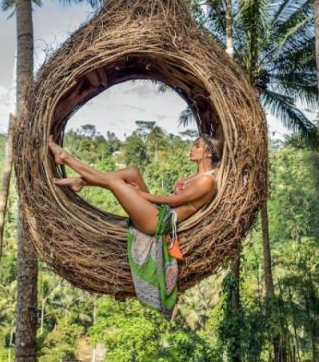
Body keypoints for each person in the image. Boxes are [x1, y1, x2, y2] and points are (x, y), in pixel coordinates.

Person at [47, 134, 222, 318]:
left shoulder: (207, 181)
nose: (191, 148)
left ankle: (66, 159)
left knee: (116, 183)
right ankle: (81, 180)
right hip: (158, 210)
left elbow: (174, 200)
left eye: (197, 146)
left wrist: (140, 195)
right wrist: (140, 195)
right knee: (132, 173)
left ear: (208, 153)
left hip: (158, 223)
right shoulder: (197, 175)